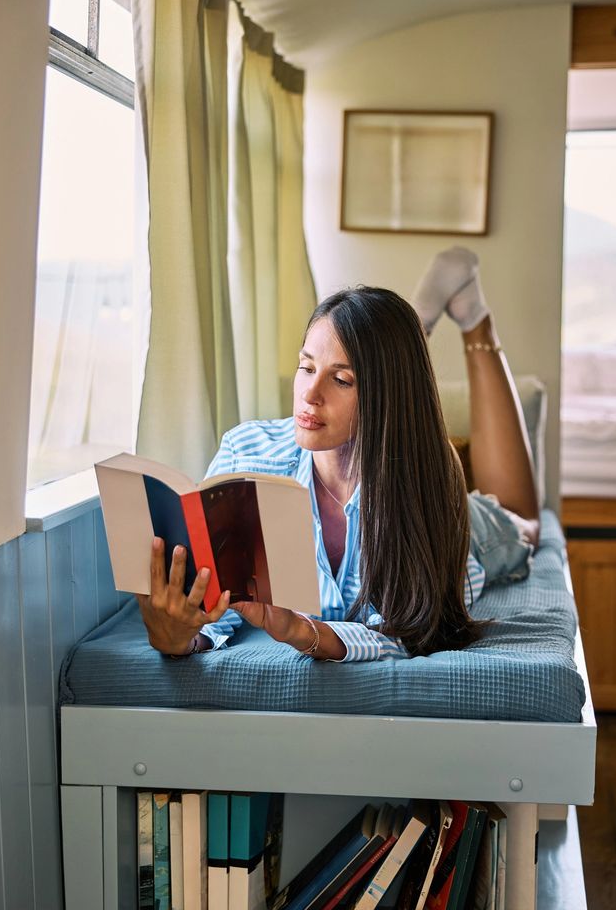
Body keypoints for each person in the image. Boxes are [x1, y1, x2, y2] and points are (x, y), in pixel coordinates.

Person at [137, 248, 540, 661]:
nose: (309, 396)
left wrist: (305, 632)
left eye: (341, 379)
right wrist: (176, 637)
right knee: (374, 351)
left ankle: (476, 323)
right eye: (306, 367)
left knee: (524, 522)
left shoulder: (428, 484)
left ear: (387, 397)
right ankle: (409, 324)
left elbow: (417, 630)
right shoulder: (245, 458)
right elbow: (211, 615)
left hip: (463, 528)